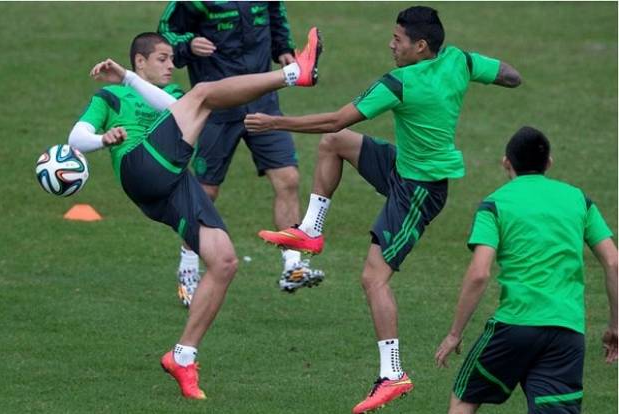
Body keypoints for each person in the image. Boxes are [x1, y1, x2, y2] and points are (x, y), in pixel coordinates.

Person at [246, 6, 521, 413]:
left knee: (374, 278)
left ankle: (392, 375)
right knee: (335, 144)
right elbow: (511, 76)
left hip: (419, 190)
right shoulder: (459, 60)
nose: (391, 44)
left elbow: (336, 117)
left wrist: (275, 124)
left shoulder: (399, 83)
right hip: (402, 165)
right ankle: (311, 229)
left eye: (399, 39)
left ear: (420, 46)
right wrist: (484, 77)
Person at [67, 29, 321, 400]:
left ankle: (182, 356)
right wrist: (102, 140)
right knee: (203, 93)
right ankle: (292, 74)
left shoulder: (167, 96)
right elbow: (77, 137)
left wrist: (128, 77)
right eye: (163, 59)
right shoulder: (109, 96)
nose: (172, 65)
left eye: (172, 59)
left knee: (224, 261)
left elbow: (170, 108)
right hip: (141, 168)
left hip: (170, 183)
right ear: (140, 60)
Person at [434, 126, 618, 414]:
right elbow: (614, 262)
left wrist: (455, 333)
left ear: (506, 162)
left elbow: (480, 273)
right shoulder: (579, 200)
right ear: (549, 163)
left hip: (515, 326)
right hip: (567, 332)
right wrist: (616, 325)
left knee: (464, 397)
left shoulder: (494, 204)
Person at [158, 1, 323, 305]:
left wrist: (282, 49)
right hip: (218, 106)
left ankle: (292, 265)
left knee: (287, 178)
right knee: (205, 193)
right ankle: (188, 268)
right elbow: (166, 34)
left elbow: (275, 14)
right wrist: (189, 45)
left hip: (263, 101)